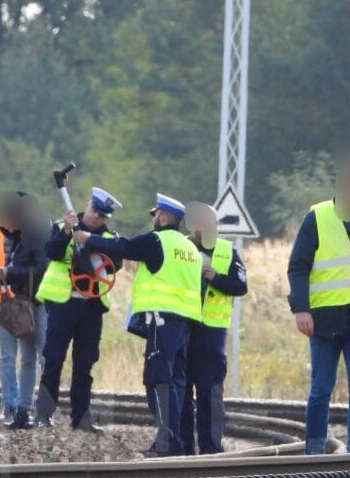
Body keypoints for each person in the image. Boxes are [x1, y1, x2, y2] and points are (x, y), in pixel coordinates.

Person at [76, 194, 202, 456]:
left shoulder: (158, 240)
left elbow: (124, 247)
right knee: (176, 381)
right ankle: (175, 442)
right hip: (185, 322)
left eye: (155, 215)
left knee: (157, 379)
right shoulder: (189, 247)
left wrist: (88, 239)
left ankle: (166, 443)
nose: (153, 219)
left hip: (162, 318)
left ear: (164, 217)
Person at [287, 154, 350, 455]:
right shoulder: (317, 217)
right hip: (325, 318)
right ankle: (314, 450)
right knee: (321, 387)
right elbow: (298, 267)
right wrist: (301, 309)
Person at [34, 187, 124, 432]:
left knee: (85, 363)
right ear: (88, 205)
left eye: (103, 215)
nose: (97, 217)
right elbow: (51, 253)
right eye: (95, 210)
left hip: (91, 308)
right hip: (63, 303)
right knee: (53, 359)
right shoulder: (62, 226)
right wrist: (66, 231)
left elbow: (116, 263)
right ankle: (43, 414)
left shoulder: (109, 238)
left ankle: (81, 418)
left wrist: (90, 245)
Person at [0, 191, 48, 429]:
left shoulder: (36, 235)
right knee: (8, 357)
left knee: (31, 357)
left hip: (31, 304)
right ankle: (11, 406)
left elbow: (40, 267)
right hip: (3, 305)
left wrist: (9, 272)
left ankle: (30, 408)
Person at [180, 203, 248, 454]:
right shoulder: (180, 247)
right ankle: (183, 449)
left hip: (211, 333)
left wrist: (215, 278)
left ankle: (210, 449)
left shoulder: (227, 251)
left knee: (210, 394)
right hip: (183, 328)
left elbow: (240, 286)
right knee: (181, 391)